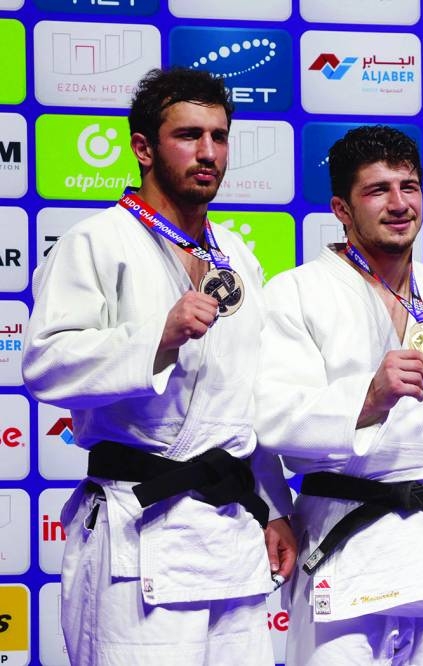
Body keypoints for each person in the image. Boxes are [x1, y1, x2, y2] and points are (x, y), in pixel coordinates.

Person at [22, 67, 295, 666]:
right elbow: (44, 364)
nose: (208, 153)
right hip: (139, 528)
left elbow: (248, 401)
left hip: (231, 535)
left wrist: (276, 509)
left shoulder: (237, 257)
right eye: (189, 135)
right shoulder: (97, 242)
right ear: (143, 147)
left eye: (220, 137)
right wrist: (158, 340)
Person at [253, 125, 423, 666]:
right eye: (377, 190)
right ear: (342, 207)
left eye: (409, 187)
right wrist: (369, 397)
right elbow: (271, 421)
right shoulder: (296, 293)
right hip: (344, 538)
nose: (399, 204)